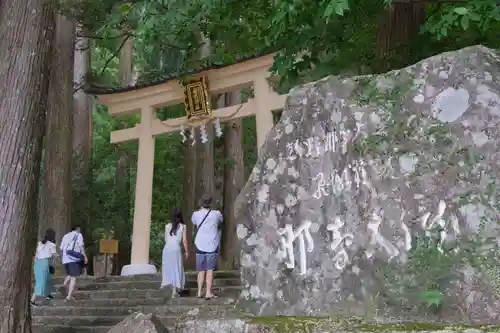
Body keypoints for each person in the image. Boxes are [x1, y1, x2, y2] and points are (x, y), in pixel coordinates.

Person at [192, 195, 223, 300]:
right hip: (212, 244)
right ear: (211, 203)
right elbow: (220, 222)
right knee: (209, 269)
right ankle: (208, 292)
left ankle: (200, 291)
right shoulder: (217, 214)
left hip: (199, 244)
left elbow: (194, 223)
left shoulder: (196, 214)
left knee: (201, 269)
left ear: (201, 203)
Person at [161, 208, 189, 297]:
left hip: (167, 249)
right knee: (177, 267)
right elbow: (184, 240)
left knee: (169, 268)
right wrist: (186, 251)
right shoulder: (183, 226)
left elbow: (166, 239)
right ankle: (174, 291)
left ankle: (170, 287)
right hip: (176, 248)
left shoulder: (167, 226)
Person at [59, 225, 88, 301]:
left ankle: (64, 285)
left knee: (69, 274)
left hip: (65, 259)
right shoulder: (78, 234)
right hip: (73, 258)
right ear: (77, 229)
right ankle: (69, 296)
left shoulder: (65, 236)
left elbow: (61, 248)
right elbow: (81, 246)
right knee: (73, 277)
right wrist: (85, 256)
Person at [31, 228, 57, 306]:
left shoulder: (39, 243)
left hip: (37, 263)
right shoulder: (52, 245)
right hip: (44, 263)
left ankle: (47, 294)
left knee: (45, 279)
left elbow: (36, 256)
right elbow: (54, 254)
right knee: (41, 282)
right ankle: (32, 300)